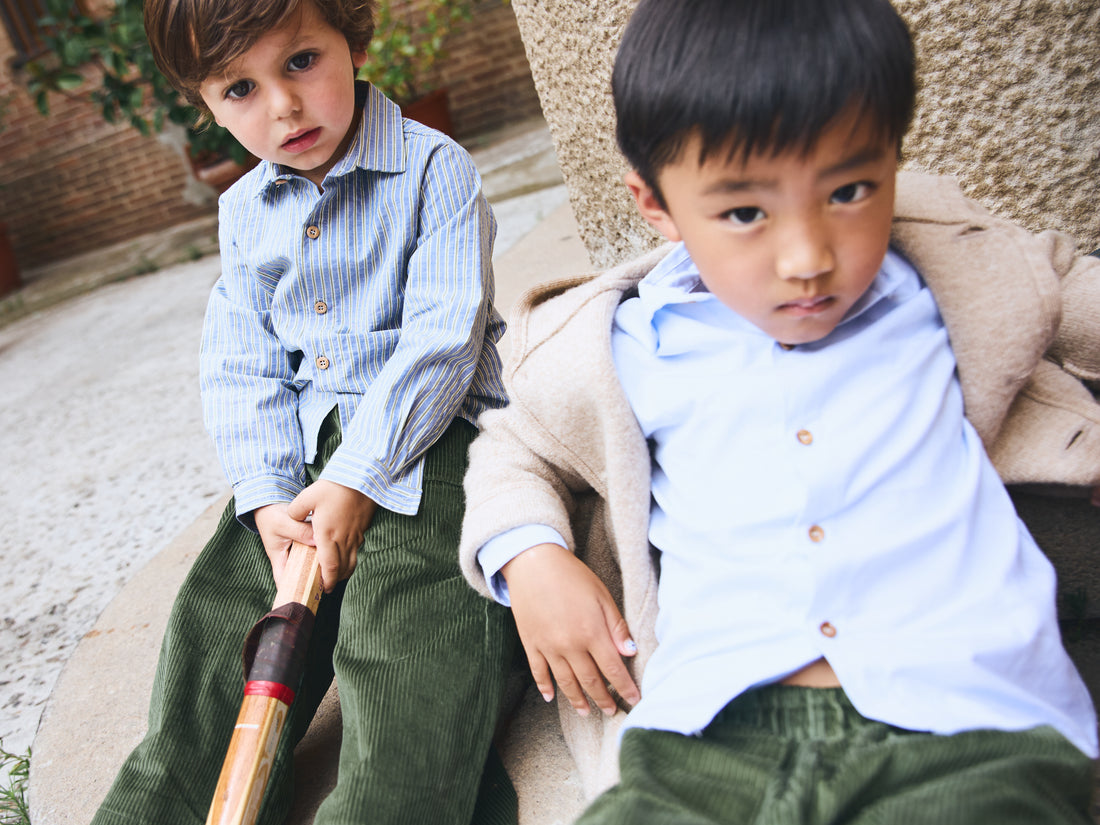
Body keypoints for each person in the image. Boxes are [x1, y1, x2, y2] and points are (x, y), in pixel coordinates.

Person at [458, 0, 1100, 822]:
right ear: (655, 203)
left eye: (849, 190)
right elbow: (515, 444)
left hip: (963, 722)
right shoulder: (625, 341)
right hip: (711, 743)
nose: (808, 257)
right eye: (746, 212)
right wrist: (531, 558)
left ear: (894, 161)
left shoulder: (956, 276)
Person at [92, 0, 518, 822]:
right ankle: (160, 804)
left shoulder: (434, 169)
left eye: (300, 63)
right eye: (239, 89)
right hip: (300, 462)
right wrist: (263, 494)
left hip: (425, 444)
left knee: (408, 643)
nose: (282, 106)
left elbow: (442, 341)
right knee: (220, 625)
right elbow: (241, 360)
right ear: (205, 104)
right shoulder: (244, 211)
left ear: (352, 41)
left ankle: (388, 801)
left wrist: (359, 477)